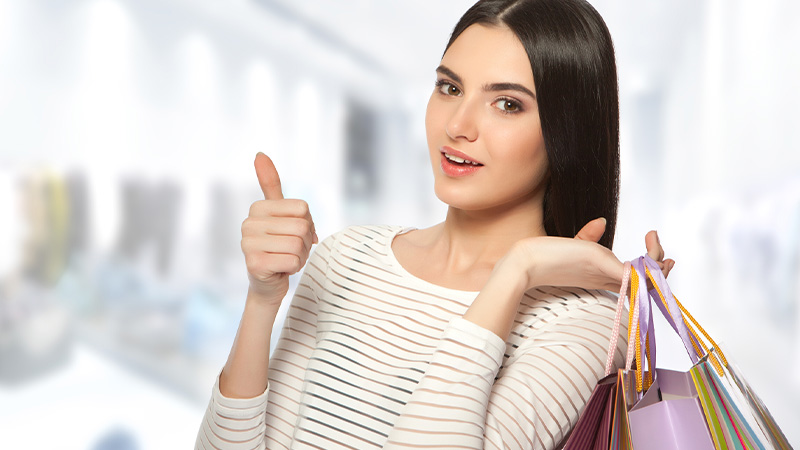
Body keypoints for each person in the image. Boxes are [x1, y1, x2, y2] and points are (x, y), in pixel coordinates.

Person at [195, 0, 674, 449]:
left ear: (566, 132)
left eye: (507, 104)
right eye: (450, 87)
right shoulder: (346, 258)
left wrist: (517, 270)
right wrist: (262, 300)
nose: (458, 125)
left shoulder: (581, 321)